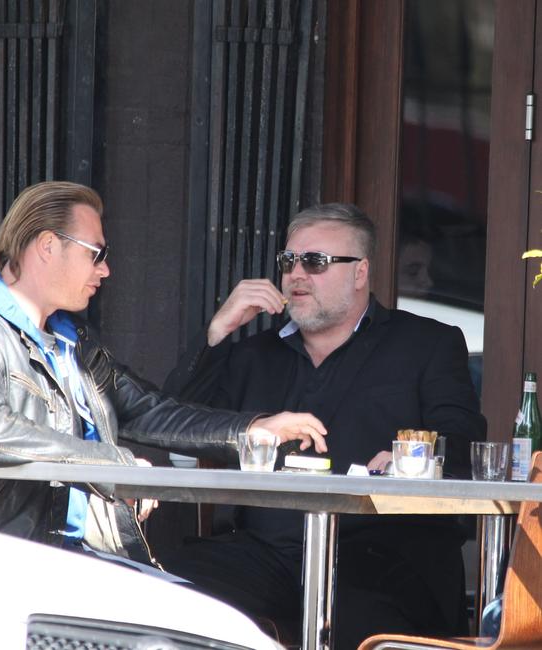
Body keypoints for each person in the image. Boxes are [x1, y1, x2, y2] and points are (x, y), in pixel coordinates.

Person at [0, 181, 326, 573]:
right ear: (47, 246)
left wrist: (251, 430)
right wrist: (113, 467)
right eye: (96, 253)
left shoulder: (69, 339)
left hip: (72, 555)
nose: (106, 269)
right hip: (9, 561)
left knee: (193, 612)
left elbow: (147, 409)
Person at [161, 203, 487, 648]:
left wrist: (416, 457)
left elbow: (464, 438)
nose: (297, 274)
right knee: (169, 592)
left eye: (315, 262)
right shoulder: (254, 354)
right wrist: (217, 334)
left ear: (360, 272)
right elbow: (177, 423)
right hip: (267, 551)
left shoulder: (426, 343)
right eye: (289, 261)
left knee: (353, 618)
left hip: (381, 555)